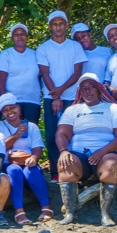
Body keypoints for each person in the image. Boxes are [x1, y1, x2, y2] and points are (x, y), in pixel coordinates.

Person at [55, 73, 117, 226]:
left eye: (91, 88)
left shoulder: (113, 109)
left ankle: (105, 214)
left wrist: (102, 151)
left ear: (98, 89)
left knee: (112, 163)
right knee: (64, 163)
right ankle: (70, 213)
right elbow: (61, 133)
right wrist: (64, 150)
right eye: (83, 89)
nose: (87, 92)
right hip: (79, 154)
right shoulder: (73, 110)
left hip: (106, 154)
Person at [37, 10, 87, 177]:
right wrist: (55, 97)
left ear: (66, 25)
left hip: (73, 96)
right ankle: (55, 172)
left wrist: (62, 91)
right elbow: (45, 73)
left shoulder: (75, 46)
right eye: (54, 24)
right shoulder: (43, 48)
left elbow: (77, 72)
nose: (58, 27)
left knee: (73, 134)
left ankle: (75, 170)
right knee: (52, 134)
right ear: (50, 27)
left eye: (61, 23)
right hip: (51, 97)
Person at [0, 93, 52, 225]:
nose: (9, 112)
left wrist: (34, 158)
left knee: (31, 170)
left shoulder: (31, 126)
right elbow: (0, 148)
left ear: (18, 108)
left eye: (12, 108)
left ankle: (46, 207)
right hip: (8, 163)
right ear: (2, 113)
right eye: (5, 110)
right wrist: (17, 134)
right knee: (14, 170)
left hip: (28, 161)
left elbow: (37, 149)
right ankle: (19, 211)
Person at [0, 23, 41, 125]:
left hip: (32, 101)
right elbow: (1, 80)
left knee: (31, 131)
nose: (20, 37)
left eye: (22, 34)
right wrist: (5, 102)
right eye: (16, 34)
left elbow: (40, 77)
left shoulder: (35, 54)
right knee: (14, 132)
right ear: (12, 38)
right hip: (12, 102)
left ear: (27, 37)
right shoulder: (6, 54)